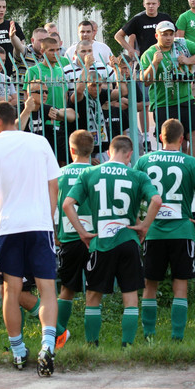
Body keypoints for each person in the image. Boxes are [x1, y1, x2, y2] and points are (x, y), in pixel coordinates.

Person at [0, 101, 61, 376]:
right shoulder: (40, 141)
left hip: (8, 227)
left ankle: (19, 352)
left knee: (11, 291)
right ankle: (47, 346)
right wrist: (48, 217)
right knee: (47, 289)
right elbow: (53, 185)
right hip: (39, 223)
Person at [63, 135, 161, 346]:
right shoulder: (137, 175)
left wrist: (81, 232)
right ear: (129, 154)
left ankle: (92, 344)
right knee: (130, 295)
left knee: (93, 296)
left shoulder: (90, 173)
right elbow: (156, 200)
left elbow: (67, 204)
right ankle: (128, 345)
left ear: (109, 152)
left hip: (102, 241)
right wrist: (144, 226)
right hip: (128, 240)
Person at [134, 118, 195, 341]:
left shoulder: (144, 161)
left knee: (150, 285)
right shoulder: (190, 162)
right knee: (181, 285)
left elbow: (134, 192)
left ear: (160, 137)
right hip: (182, 230)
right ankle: (177, 337)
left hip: (153, 232)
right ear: (182, 139)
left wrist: (140, 222)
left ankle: (149, 336)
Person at [140, 20, 195, 161]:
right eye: (164, 34)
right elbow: (146, 81)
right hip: (163, 103)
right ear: (156, 36)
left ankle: (194, 171)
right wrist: (155, 63)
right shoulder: (149, 53)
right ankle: (177, 168)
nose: (168, 38)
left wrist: (188, 61)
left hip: (185, 99)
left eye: (171, 34)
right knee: (174, 142)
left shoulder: (181, 44)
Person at [114, 0, 173, 150]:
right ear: (144, 4)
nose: (151, 7)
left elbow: (176, 37)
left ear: (158, 4)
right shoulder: (138, 19)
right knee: (146, 104)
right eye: (148, 4)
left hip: (166, 65)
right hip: (146, 65)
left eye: (153, 3)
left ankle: (164, 133)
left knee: (165, 101)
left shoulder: (165, 18)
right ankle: (147, 137)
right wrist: (130, 50)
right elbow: (118, 36)